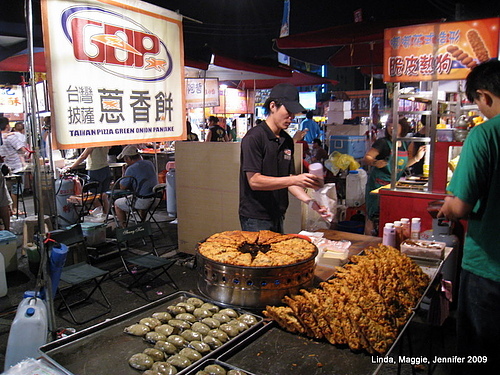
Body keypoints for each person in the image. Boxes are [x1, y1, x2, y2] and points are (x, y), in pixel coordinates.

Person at [437, 60, 500, 375]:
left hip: (488, 269)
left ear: (484, 96)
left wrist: (447, 206)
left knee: (476, 358)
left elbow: (460, 207)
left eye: (477, 102)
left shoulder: (485, 135)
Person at [239, 83, 328, 233]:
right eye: (288, 111)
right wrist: (294, 179)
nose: (291, 117)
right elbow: (254, 181)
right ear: (272, 106)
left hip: (278, 214)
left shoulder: (287, 140)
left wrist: (310, 202)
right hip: (255, 217)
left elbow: (289, 179)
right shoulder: (254, 137)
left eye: (293, 113)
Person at [363, 117, 425, 235]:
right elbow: (367, 157)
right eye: (389, 126)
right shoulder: (383, 143)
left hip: (392, 185)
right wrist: (375, 162)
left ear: (403, 127)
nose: (392, 128)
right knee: (373, 216)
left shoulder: (403, 144)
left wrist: (417, 158)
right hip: (378, 184)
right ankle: (368, 240)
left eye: (395, 125)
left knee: (388, 216)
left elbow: (402, 165)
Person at [114, 145, 158, 228]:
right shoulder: (149, 163)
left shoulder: (131, 169)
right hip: (155, 199)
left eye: (125, 159)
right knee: (139, 195)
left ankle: (124, 228)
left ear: (128, 158)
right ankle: (142, 223)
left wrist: (124, 173)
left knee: (117, 204)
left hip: (143, 201)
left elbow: (122, 187)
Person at [66, 146, 112, 214]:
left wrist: (71, 166)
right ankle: (107, 214)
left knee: (93, 196)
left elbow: (83, 156)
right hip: (106, 169)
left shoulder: (92, 143)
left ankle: (101, 215)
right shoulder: (104, 141)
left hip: (95, 170)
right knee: (104, 195)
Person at [0, 116, 28, 215]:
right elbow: (22, 150)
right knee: (16, 189)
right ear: (7, 125)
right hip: (16, 167)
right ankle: (15, 209)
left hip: (4, 168)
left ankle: (8, 210)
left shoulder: (2, 137)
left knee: (5, 191)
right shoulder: (11, 137)